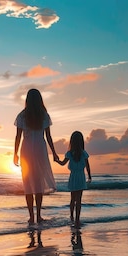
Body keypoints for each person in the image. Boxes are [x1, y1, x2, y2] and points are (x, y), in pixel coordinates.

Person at [14, 88, 59, 225]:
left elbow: (18, 137)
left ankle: (31, 217)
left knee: (27, 183)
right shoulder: (43, 115)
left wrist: (14, 153)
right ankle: (38, 215)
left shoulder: (22, 115)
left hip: (26, 149)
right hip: (40, 148)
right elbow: (48, 137)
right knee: (38, 182)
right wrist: (54, 152)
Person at [56, 131, 91, 228]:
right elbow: (87, 166)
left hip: (73, 177)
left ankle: (71, 216)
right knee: (79, 200)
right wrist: (90, 176)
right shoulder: (84, 153)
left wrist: (57, 160)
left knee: (72, 199)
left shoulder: (69, 153)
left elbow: (63, 163)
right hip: (81, 177)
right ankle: (77, 219)